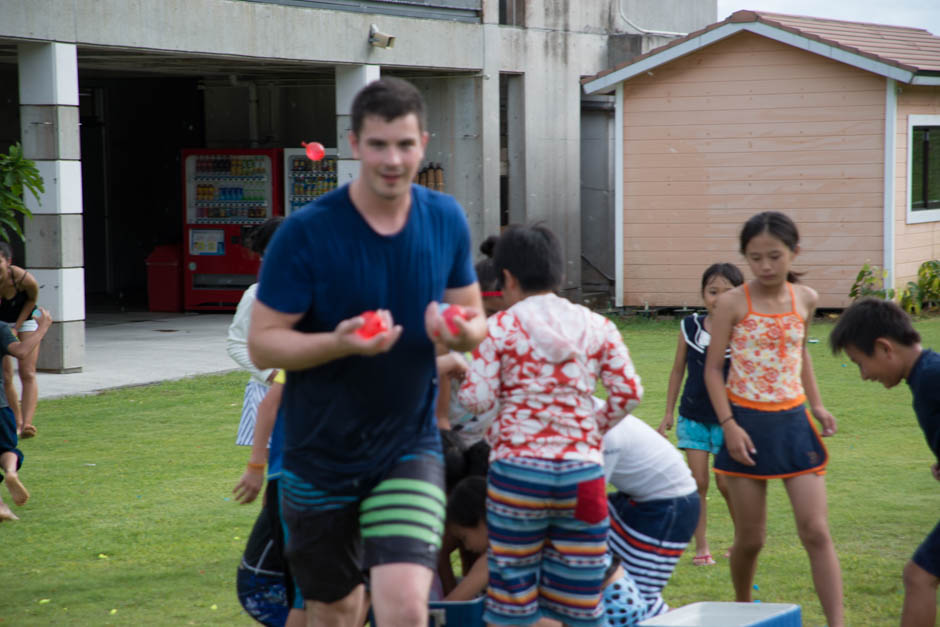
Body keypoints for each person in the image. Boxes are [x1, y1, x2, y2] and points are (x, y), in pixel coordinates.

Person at [247, 77, 487, 627]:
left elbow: (474, 325)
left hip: (407, 449)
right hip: (318, 458)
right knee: (336, 611)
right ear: (354, 144)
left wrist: (455, 327)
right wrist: (338, 341)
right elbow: (263, 345)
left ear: (423, 142)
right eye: (378, 144)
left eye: (405, 144)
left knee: (405, 605)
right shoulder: (306, 233)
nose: (393, 159)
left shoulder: (444, 218)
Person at [458, 224, 643, 627]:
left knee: (514, 602)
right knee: (579, 602)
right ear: (558, 274)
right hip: (584, 477)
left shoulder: (501, 328)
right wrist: (589, 429)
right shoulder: (597, 325)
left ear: (506, 278)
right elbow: (629, 391)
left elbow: (476, 398)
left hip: (517, 475)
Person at [704, 211, 844, 626]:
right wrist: (729, 425)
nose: (765, 266)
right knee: (750, 539)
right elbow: (714, 369)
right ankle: (742, 611)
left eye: (774, 256)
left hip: (794, 424)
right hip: (745, 426)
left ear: (794, 252)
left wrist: (816, 406)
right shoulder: (732, 303)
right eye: (755, 258)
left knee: (816, 531)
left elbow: (799, 352)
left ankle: (837, 622)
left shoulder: (806, 298)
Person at [829, 298, 939, 627]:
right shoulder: (925, 375)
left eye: (860, 363)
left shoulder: (931, 376)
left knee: (919, 576)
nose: (863, 376)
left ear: (884, 348)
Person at [445, 476, 647, 627]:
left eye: (464, 538)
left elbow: (452, 605)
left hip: (608, 608)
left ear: (482, 520)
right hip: (624, 597)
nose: (467, 547)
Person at [658, 263, 743, 566]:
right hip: (692, 417)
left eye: (727, 292)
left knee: (725, 484)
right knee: (698, 483)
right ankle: (701, 548)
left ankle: (741, 541)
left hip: (729, 421)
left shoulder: (745, 330)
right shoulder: (690, 326)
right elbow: (678, 370)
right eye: (712, 291)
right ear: (703, 294)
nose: (719, 298)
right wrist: (668, 412)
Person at [605, 414, 699, 619]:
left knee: (637, 603)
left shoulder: (597, 426)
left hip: (669, 504)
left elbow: (586, 500)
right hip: (634, 497)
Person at [233, 370, 306, 627]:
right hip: (294, 480)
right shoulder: (306, 351)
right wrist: (256, 467)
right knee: (305, 595)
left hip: (348, 479)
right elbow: (268, 406)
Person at [227, 217, 284, 447]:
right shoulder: (256, 295)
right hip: (268, 393)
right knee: (279, 476)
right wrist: (272, 375)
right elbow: (237, 345)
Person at [0, 306, 52, 521]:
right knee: (7, 447)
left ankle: (1, 506)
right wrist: (42, 328)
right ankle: (11, 472)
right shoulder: (1, 328)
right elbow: (21, 352)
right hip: (0, 406)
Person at [0, 242, 42, 438]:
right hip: (1, 324)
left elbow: (32, 300)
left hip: (24, 320)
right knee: (6, 376)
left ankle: (27, 423)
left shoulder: (24, 279)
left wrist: (17, 326)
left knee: (27, 372)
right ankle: (16, 422)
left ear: (8, 261)